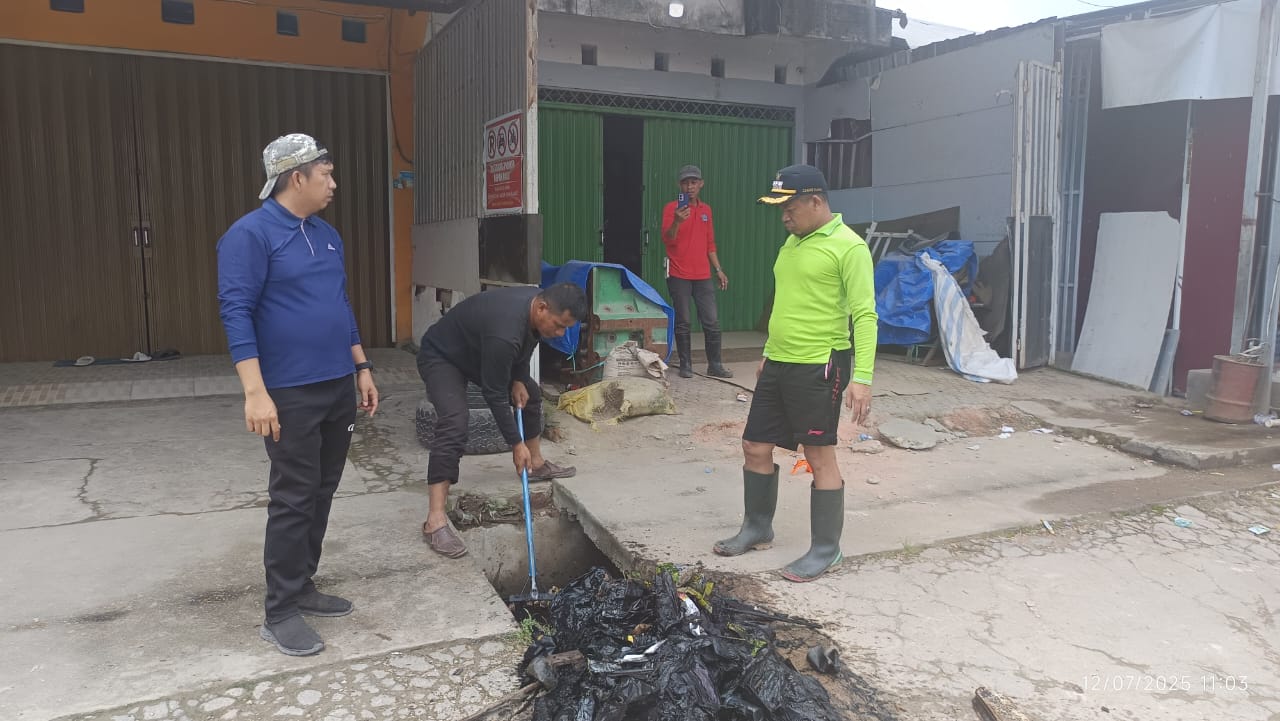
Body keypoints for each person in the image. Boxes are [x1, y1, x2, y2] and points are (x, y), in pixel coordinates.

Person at [217, 133, 379, 656]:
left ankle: (302, 583)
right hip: (288, 391)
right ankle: (280, 610)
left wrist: (361, 366)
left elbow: (340, 304)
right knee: (293, 495)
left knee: (322, 489)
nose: (333, 184)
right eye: (325, 175)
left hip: (336, 384)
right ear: (296, 177)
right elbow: (236, 312)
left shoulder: (327, 235)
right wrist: (255, 393)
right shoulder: (250, 235)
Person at [712, 164, 877, 583]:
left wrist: (862, 377)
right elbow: (787, 302)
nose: (783, 216)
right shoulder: (791, 243)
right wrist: (768, 352)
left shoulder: (849, 247)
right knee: (754, 445)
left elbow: (865, 315)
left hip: (820, 364)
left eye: (790, 208)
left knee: (818, 455)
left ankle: (826, 549)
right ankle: (757, 527)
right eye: (780, 209)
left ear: (816, 201)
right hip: (779, 361)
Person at [416, 283, 586, 558]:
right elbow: (493, 393)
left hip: (478, 352)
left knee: (530, 394)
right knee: (455, 422)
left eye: (566, 328)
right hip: (442, 357)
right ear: (542, 308)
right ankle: (435, 521)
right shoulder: (505, 332)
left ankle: (536, 464)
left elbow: (526, 345)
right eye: (558, 325)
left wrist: (518, 378)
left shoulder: (534, 310)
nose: (560, 333)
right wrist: (516, 445)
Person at [661, 165, 734, 379]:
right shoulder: (671, 208)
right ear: (680, 185)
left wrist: (718, 269)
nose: (690, 187)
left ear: (701, 184)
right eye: (685, 183)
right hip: (679, 274)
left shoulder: (706, 210)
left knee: (711, 321)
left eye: (694, 182)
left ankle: (715, 365)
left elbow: (710, 243)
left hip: (703, 275)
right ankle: (686, 365)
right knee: (683, 321)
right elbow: (668, 239)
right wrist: (677, 221)